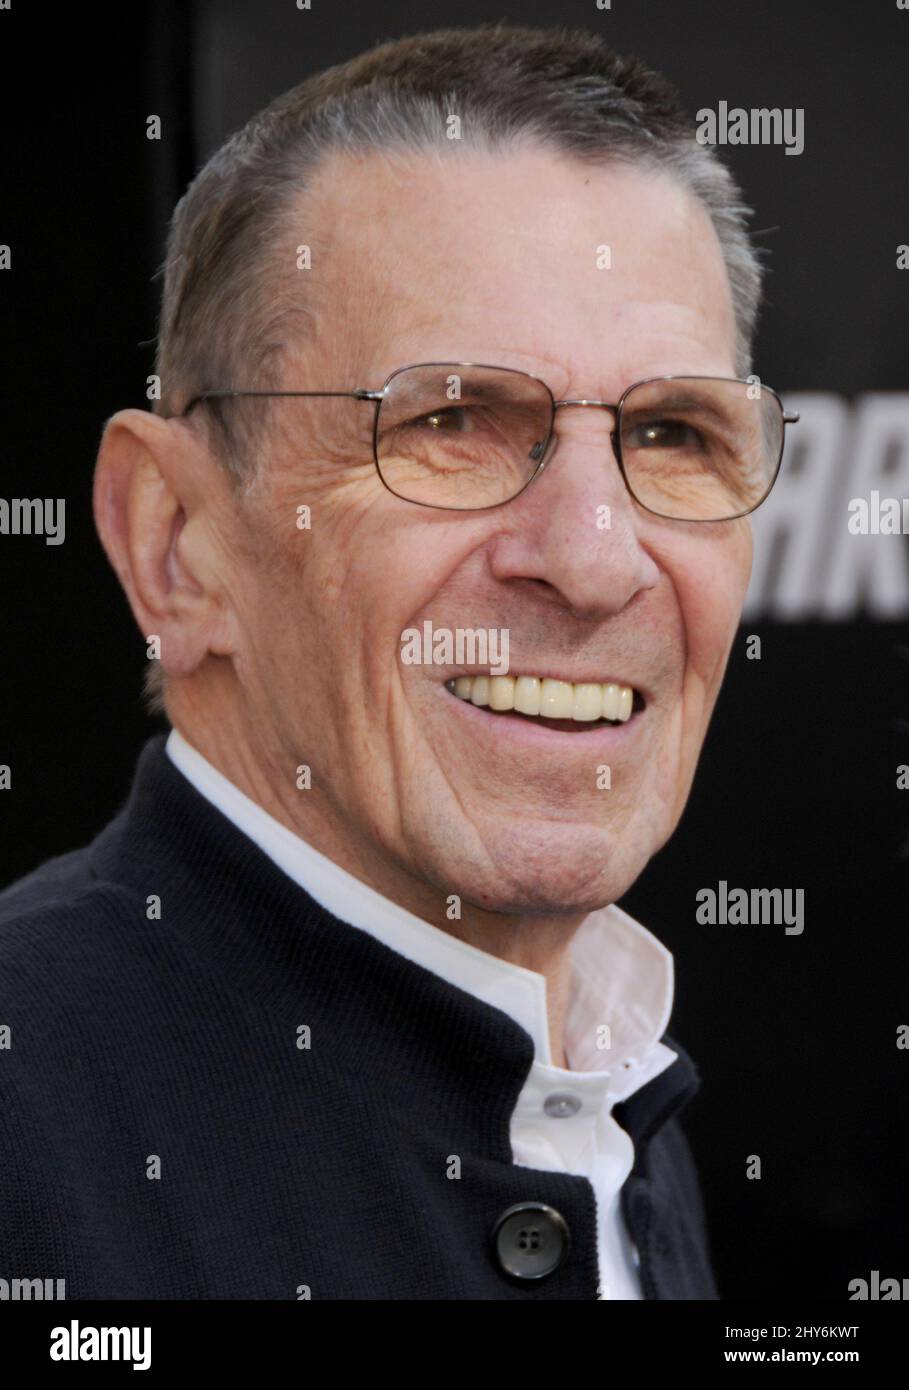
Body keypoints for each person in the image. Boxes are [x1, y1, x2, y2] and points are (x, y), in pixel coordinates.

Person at [0, 23, 798, 1299]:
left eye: (670, 433)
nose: (595, 560)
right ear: (176, 543)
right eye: (453, 420)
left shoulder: (610, 1088)